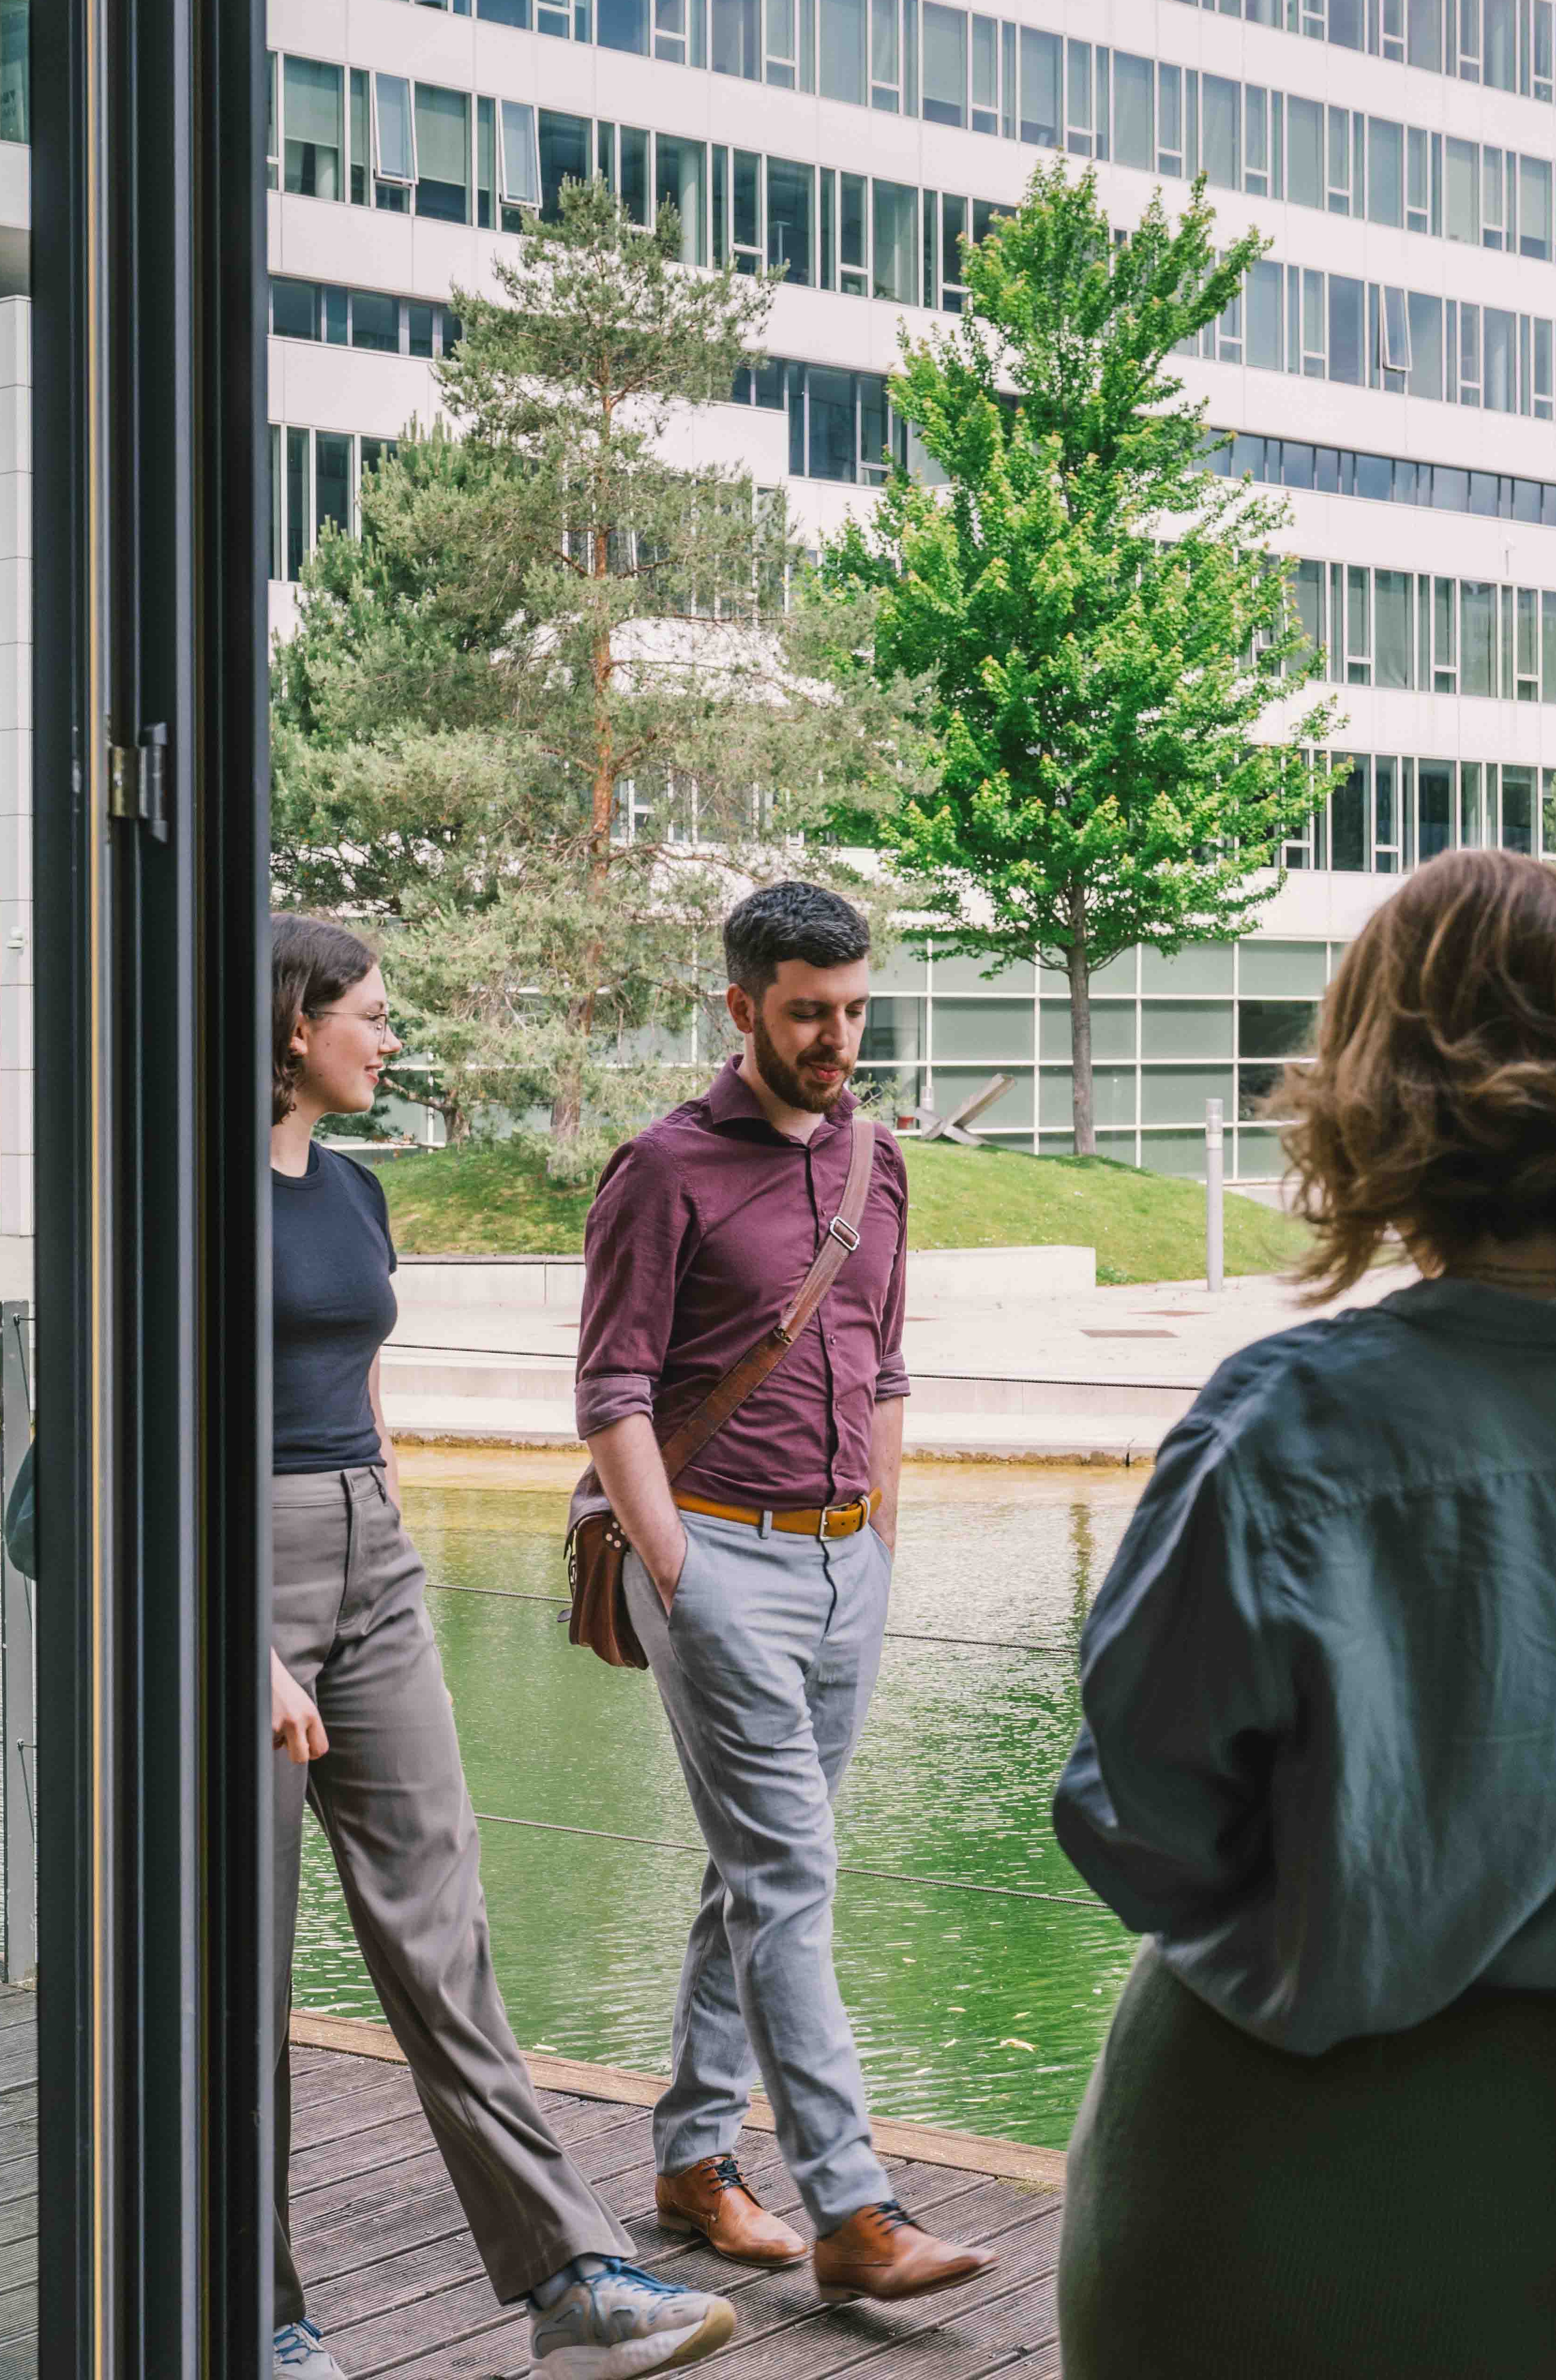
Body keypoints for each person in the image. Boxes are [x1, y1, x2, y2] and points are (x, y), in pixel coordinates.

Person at [1053, 848, 1556, 2377]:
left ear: (1370, 1081)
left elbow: (1137, 1822)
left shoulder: (1287, 1425)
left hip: (1245, 2129)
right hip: (1555, 2142)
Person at [258, 915, 736, 2380]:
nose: (390, 1038)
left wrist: (393, 1550)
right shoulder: (182, 1199)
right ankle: (256, 2317)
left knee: (444, 1934)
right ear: (296, 1025)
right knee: (238, 1962)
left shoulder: (352, 1192)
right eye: (372, 1015)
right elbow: (164, 1429)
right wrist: (241, 1641)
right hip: (241, 1563)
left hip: (368, 1562)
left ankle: (573, 2283)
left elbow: (365, 1388)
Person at [576, 883, 995, 2303]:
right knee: (792, 1873)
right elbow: (614, 1392)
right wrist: (677, 1573)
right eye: (811, 1013)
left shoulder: (879, 1160)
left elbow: (881, 1362)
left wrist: (882, 1534)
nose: (839, 1038)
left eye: (857, 1008)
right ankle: (852, 2207)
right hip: (715, 1555)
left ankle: (696, 2162)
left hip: (845, 1562)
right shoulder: (662, 1168)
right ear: (742, 1005)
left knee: (757, 1875)